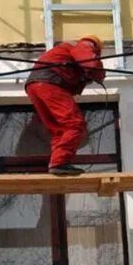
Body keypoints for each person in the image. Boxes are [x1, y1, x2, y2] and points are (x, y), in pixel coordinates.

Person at [25, 35, 106, 175]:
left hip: (34, 86)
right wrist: (99, 74)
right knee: (74, 123)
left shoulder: (64, 53)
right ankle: (60, 162)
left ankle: (58, 163)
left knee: (59, 130)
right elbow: (90, 63)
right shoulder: (86, 44)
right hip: (50, 82)